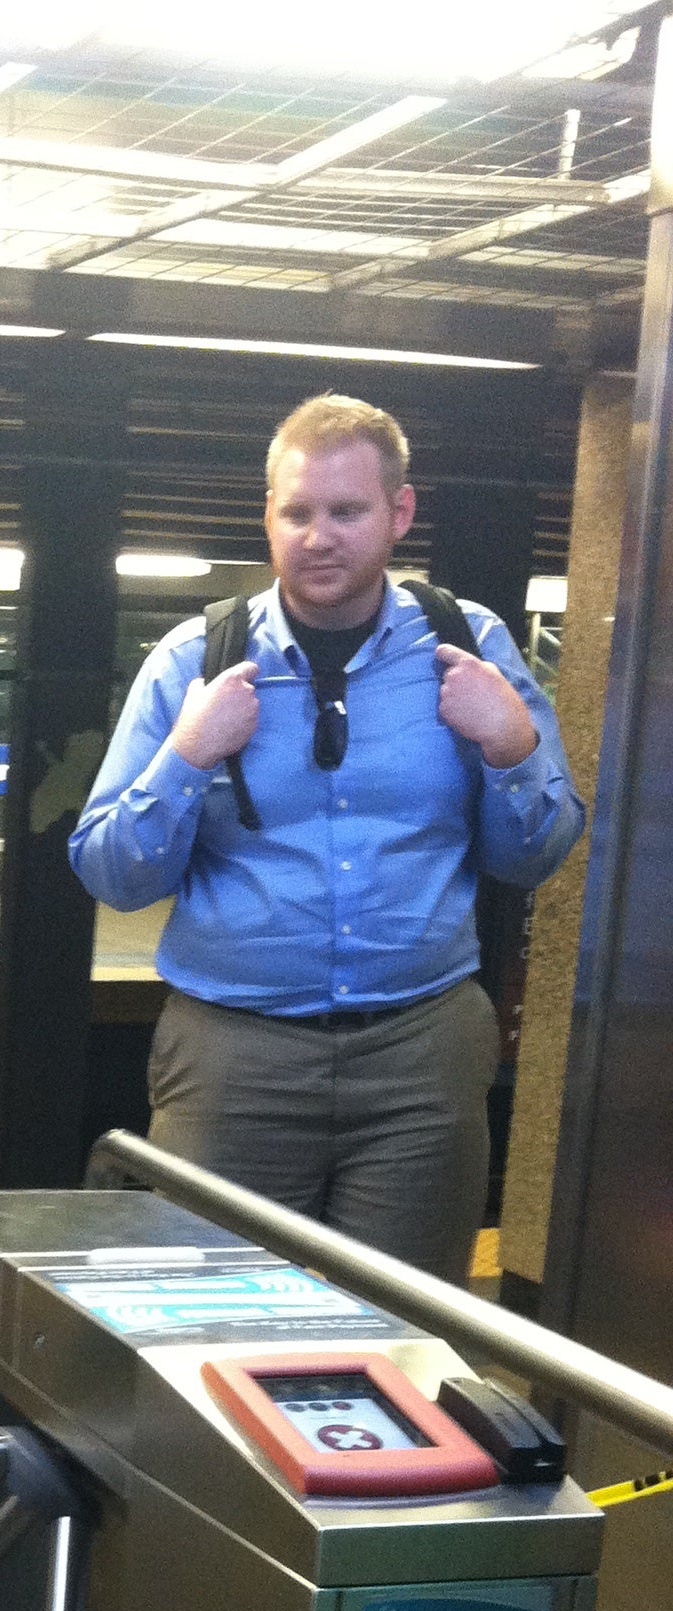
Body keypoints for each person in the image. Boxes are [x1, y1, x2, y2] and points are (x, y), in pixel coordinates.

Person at [70, 393, 584, 1281]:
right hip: (232, 1059)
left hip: (420, 1059)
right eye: (297, 512)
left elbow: (531, 854)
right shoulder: (194, 660)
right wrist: (187, 756)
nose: (319, 536)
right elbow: (113, 874)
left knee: (406, 1331)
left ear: (399, 513)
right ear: (268, 518)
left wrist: (511, 745)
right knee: (211, 1327)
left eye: (346, 511)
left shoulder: (470, 644)